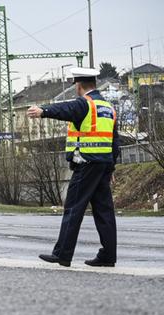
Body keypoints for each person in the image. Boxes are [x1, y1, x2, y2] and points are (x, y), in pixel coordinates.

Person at [27, 67, 120, 267]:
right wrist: (111, 168)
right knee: (104, 211)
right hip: (103, 165)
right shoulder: (108, 107)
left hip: (86, 164)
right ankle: (108, 256)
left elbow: (66, 109)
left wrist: (43, 111)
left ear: (79, 86)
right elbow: (115, 141)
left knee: (73, 208)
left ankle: (62, 254)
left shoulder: (85, 104)